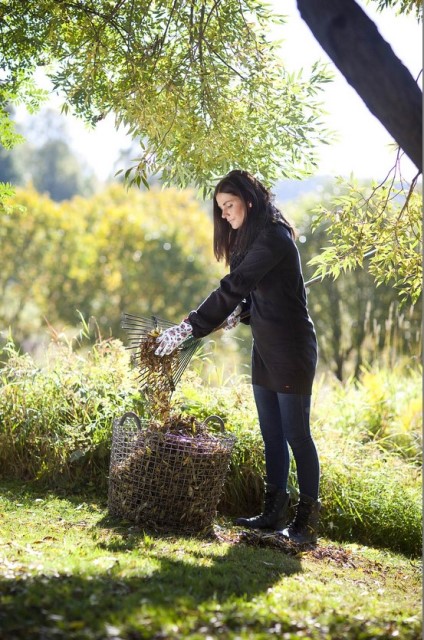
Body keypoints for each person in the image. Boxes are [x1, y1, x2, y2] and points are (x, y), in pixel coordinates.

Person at [155, 169, 321, 544]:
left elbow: (235, 285)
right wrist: (239, 312)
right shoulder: (250, 240)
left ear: (248, 200)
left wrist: (190, 326)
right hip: (265, 348)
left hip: (292, 350)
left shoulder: (274, 237)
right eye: (221, 209)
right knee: (272, 433)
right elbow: (253, 294)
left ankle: (305, 526)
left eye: (229, 206)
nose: (225, 215)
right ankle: (271, 514)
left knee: (297, 433)